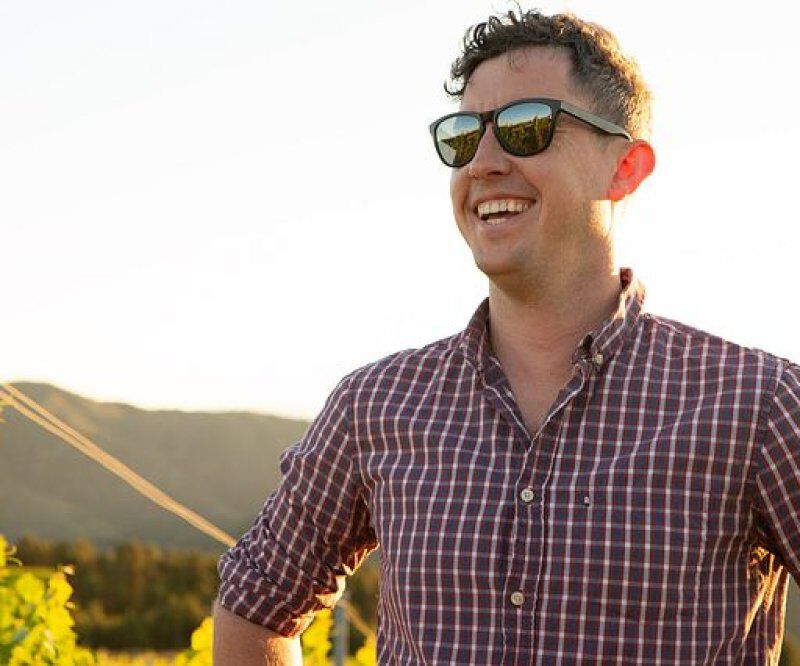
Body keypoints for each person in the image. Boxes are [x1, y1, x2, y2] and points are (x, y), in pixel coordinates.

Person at [213, 8, 800, 664]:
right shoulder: (373, 404)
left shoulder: (758, 403)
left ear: (625, 168)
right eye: (463, 138)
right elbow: (256, 603)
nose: (484, 163)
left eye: (528, 128)